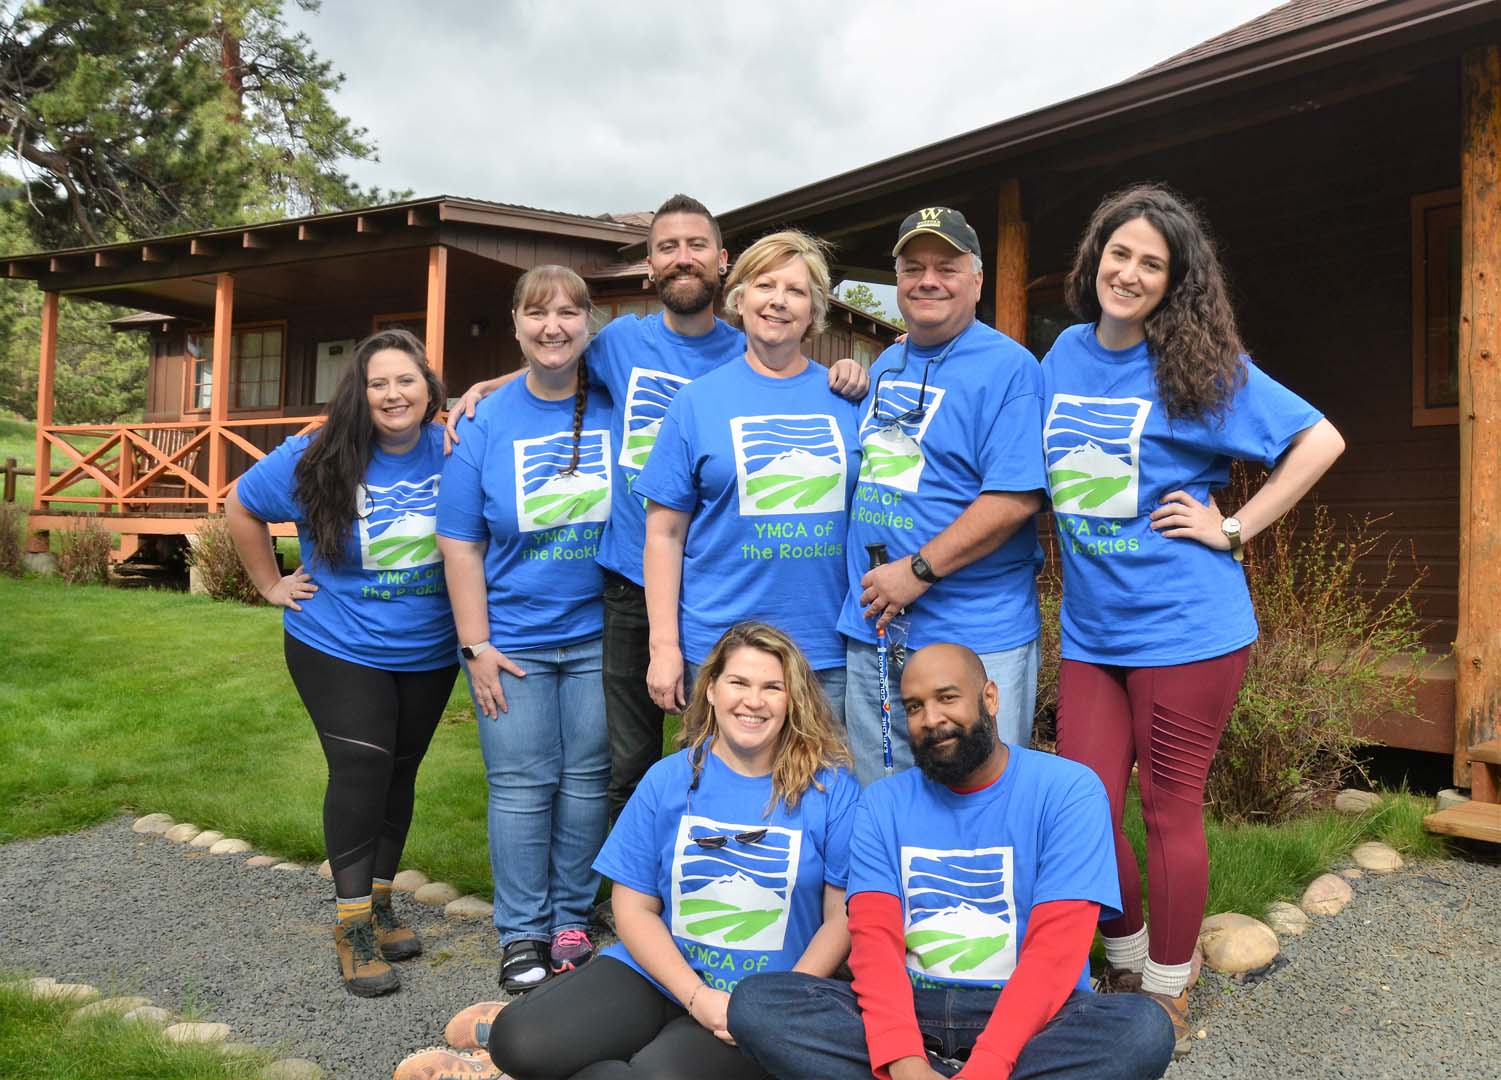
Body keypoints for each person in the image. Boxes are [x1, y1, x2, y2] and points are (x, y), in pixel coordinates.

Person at [447, 194, 869, 821]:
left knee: (812, 776)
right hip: (631, 575)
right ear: (650, 266)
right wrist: (486, 387)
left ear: (723, 263)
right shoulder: (622, 341)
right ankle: (628, 895)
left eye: (696, 245)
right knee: (632, 759)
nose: (682, 258)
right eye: (667, 247)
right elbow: (555, 360)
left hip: (740, 591)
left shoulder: (755, 355)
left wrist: (851, 373)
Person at [1042, 184, 1344, 1040]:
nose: (1129, 273)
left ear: (1174, 281)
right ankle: (1130, 950)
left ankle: (1169, 984)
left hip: (1186, 627)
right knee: (1086, 805)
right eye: (1119, 252)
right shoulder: (1061, 354)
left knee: (1169, 808)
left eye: (1151, 263)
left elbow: (1319, 438)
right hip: (1092, 633)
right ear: (1094, 255)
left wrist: (1235, 526)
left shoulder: (1197, 366)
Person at [411, 622, 859, 1080]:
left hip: (756, 996)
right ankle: (509, 1048)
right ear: (711, 691)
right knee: (519, 1041)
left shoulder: (830, 790)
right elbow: (633, 907)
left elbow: (841, 916)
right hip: (659, 974)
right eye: (738, 682)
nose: (753, 701)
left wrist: (778, 1008)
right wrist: (694, 996)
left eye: (772, 687)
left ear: (793, 699)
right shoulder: (668, 779)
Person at [728, 643, 1175, 1080]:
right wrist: (904, 1062)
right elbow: (875, 942)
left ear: (990, 698)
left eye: (947, 698)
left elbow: (1055, 954)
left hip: (1032, 1019)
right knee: (756, 1002)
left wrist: (987, 1067)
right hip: (913, 1006)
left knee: (1142, 1029)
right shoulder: (883, 802)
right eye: (915, 707)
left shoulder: (1068, 790)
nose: (932, 720)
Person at [225, 329, 457, 998]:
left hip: (427, 649)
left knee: (400, 771)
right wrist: (270, 583)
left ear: (428, 389)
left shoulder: (453, 448)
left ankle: (379, 902)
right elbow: (239, 504)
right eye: (377, 382)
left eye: (406, 380)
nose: (393, 394)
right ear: (359, 393)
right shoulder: (317, 453)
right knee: (361, 767)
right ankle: (352, 927)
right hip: (337, 642)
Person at [436, 265, 614, 994]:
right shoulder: (484, 421)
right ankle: (520, 931)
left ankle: (572, 917)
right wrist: (476, 646)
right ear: (515, 325)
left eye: (570, 312)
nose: (554, 326)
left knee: (587, 784)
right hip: (512, 641)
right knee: (519, 785)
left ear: (588, 324)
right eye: (538, 314)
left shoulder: (617, 405)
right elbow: (459, 543)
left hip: (606, 634)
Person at [841, 207, 1047, 784]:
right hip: (878, 628)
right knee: (881, 796)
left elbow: (1015, 499)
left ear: (978, 280)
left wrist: (919, 569)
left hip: (976, 633)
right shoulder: (886, 362)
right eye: (913, 267)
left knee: (979, 795)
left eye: (947, 267)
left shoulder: (1009, 369)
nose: (928, 279)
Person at [638, 229, 860, 718]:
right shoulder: (695, 403)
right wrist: (664, 646)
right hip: (720, 653)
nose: (778, 302)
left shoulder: (848, 398)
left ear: (814, 310)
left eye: (796, 291)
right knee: (721, 791)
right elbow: (664, 534)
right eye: (764, 285)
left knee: (826, 791)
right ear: (739, 298)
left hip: (827, 652)